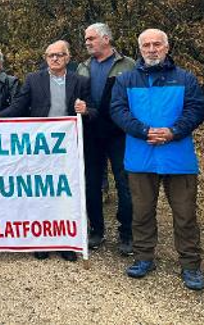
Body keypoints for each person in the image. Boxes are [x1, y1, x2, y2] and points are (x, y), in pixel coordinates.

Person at [111, 29, 204, 290]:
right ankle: (144, 258)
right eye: (146, 45)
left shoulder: (185, 78)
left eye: (157, 44)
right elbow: (117, 110)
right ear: (139, 49)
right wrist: (143, 131)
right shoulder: (126, 79)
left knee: (185, 214)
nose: (152, 49)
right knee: (141, 212)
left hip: (178, 156)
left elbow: (197, 108)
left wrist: (174, 131)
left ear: (167, 47)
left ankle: (190, 264)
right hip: (141, 155)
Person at [0, 40, 96, 262]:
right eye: (51, 55)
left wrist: (86, 110)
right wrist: (0, 116)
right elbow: (20, 105)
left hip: (69, 147)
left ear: (68, 58)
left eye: (59, 55)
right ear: (45, 58)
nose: (55, 59)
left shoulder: (81, 81)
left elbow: (95, 111)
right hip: (40, 145)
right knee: (40, 190)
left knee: (65, 192)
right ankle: (41, 240)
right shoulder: (33, 79)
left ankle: (65, 241)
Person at [76, 23, 135, 254]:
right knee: (91, 183)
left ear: (106, 39)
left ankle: (127, 233)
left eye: (91, 38)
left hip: (119, 134)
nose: (87, 42)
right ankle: (96, 231)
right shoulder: (82, 67)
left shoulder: (128, 65)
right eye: (86, 39)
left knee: (125, 184)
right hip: (90, 133)